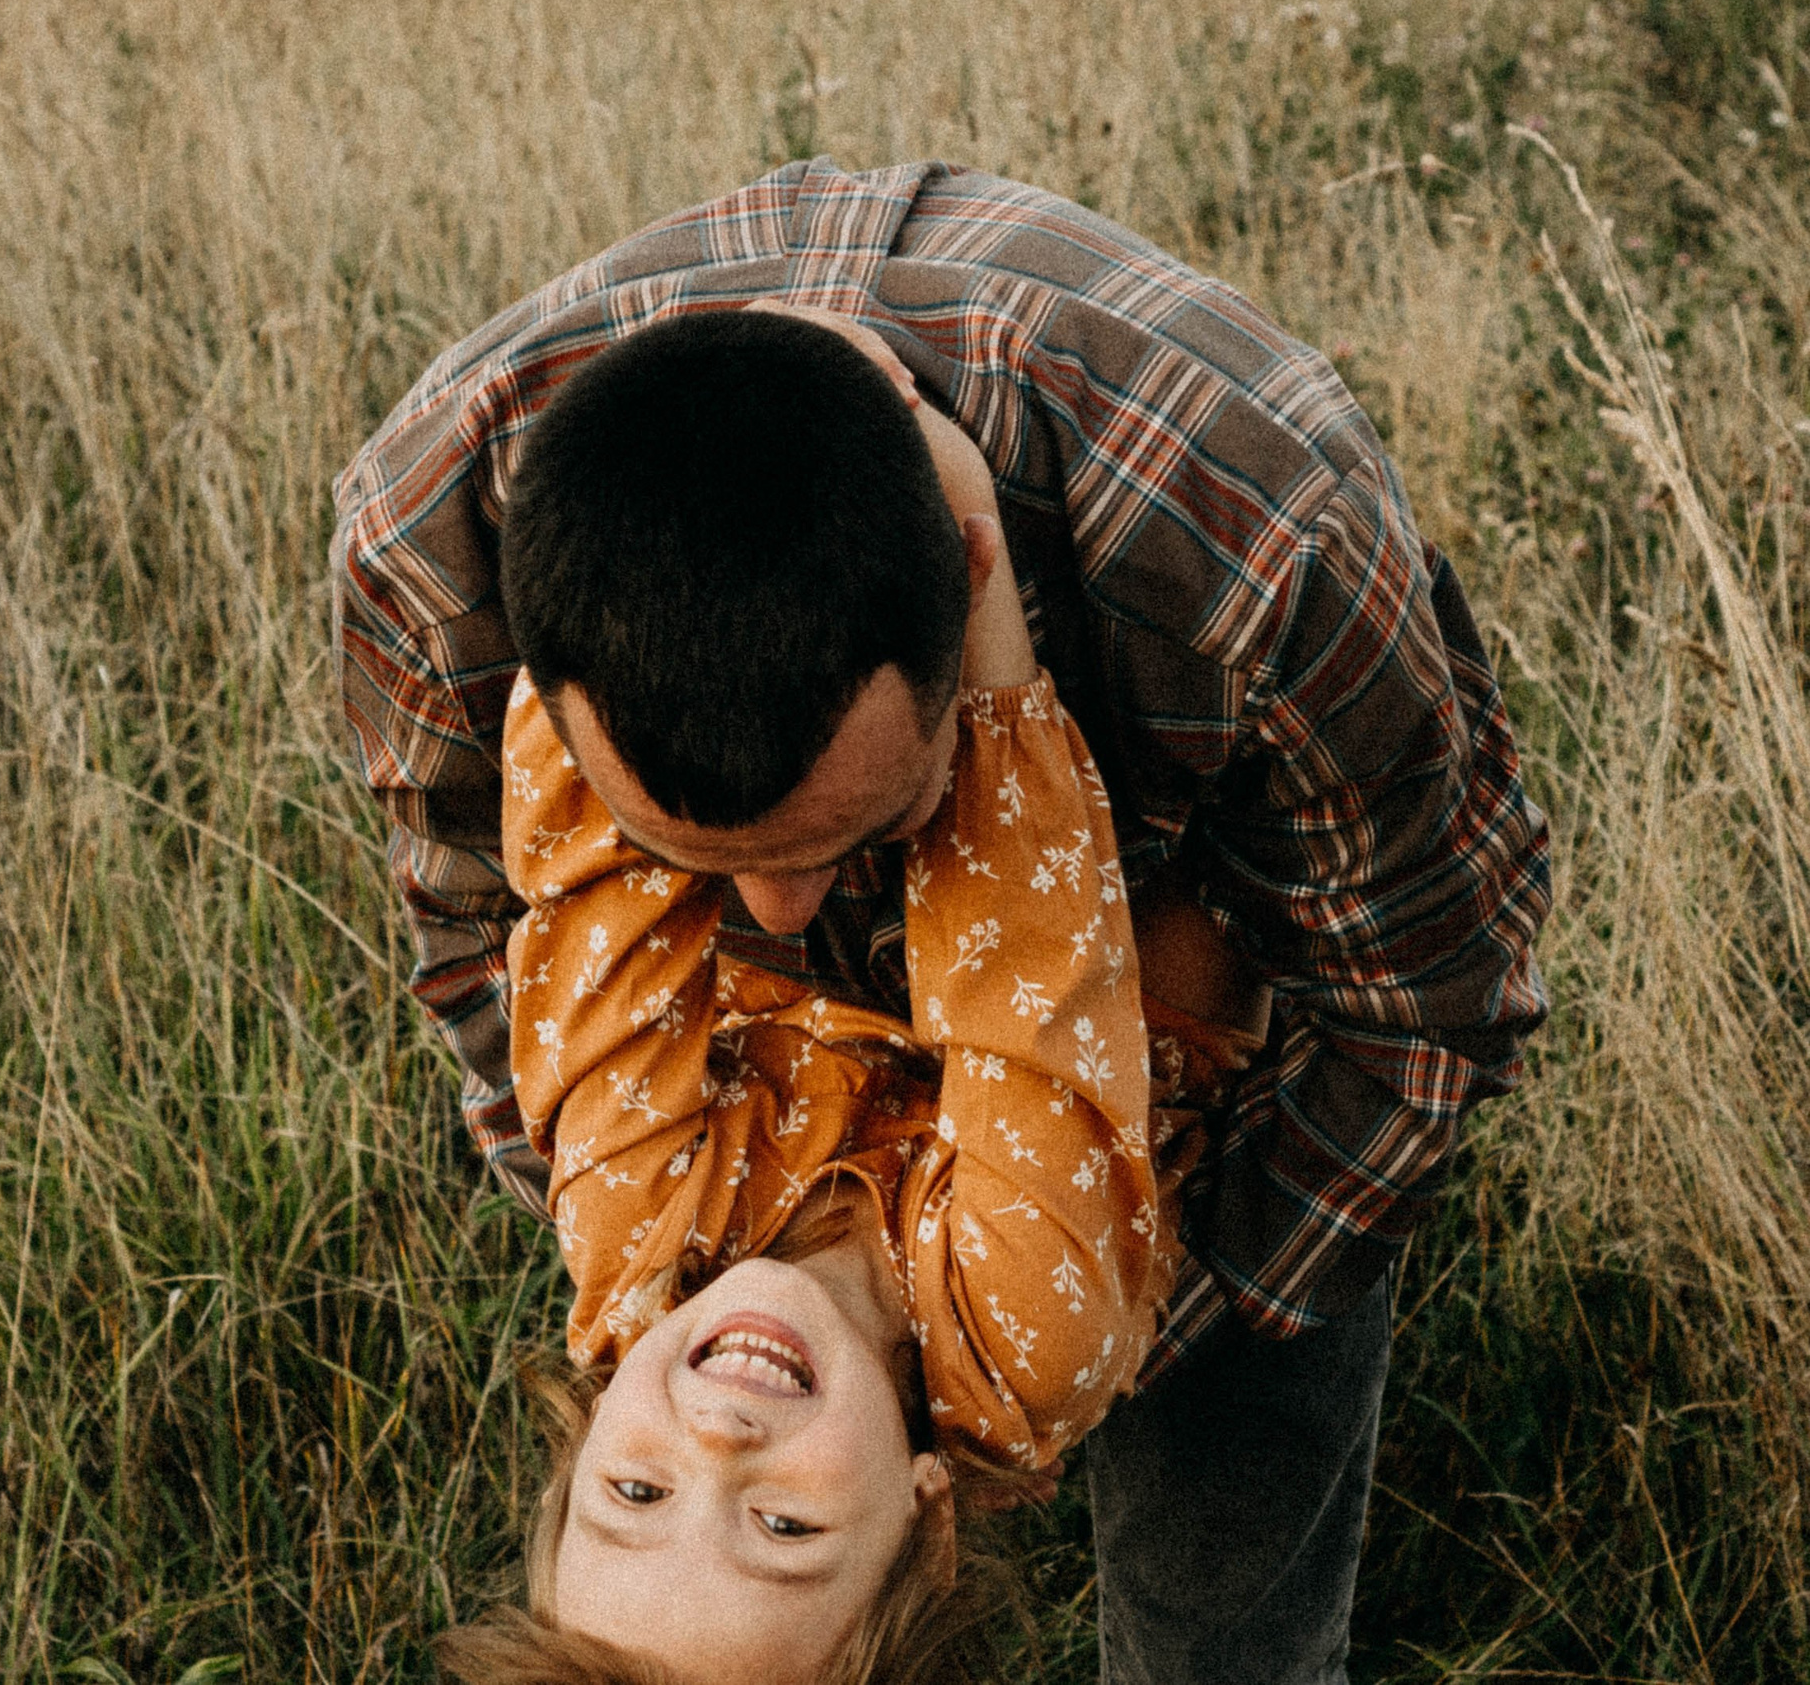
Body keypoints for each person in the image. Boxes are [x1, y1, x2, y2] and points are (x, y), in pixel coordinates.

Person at [331, 157, 1551, 1683]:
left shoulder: (1263, 535)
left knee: (1227, 1563)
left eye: (633, 1492)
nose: (712, 1438)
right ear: (930, 1512)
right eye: (782, 1531)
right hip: (1112, 1029)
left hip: (1193, 918)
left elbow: (584, 909)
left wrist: (612, 603)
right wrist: (992, 662)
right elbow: (1018, 971)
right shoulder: (1020, 1346)